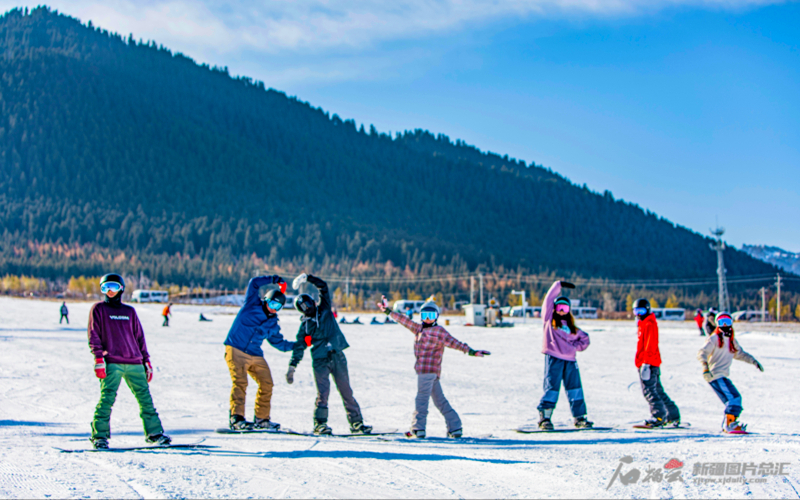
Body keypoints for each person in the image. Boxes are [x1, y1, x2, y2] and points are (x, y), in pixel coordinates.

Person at [378, 296, 489, 439]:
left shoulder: (439, 331)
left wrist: (471, 351)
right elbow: (404, 320)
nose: (428, 319)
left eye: (431, 315)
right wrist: (388, 311)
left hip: (427, 372)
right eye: (425, 315)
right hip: (430, 373)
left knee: (421, 400)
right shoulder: (418, 328)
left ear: (436, 317)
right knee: (440, 401)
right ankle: (455, 427)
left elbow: (455, 343)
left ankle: (418, 429)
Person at [88, 274, 170, 449]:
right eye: (105, 288)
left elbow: (139, 337)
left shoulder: (129, 312)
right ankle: (99, 436)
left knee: (145, 399)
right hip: (112, 363)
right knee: (107, 399)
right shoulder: (98, 309)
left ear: (121, 289)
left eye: (113, 287)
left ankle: (154, 433)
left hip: (135, 362)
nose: (110, 291)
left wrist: (146, 361)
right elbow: (94, 336)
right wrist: (98, 359)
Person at [286, 274, 372, 435]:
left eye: (309, 304)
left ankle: (356, 423)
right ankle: (320, 424)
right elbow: (299, 347)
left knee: (346, 391)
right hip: (320, 360)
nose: (308, 308)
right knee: (323, 393)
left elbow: (323, 287)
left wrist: (308, 278)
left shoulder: (324, 309)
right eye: (304, 308)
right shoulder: (305, 327)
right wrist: (292, 366)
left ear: (313, 302)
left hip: (337, 356)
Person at [223, 275, 294, 431]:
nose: (274, 309)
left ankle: (262, 419)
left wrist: (299, 345)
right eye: (273, 304)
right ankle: (237, 419)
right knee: (240, 383)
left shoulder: (273, 323)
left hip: (255, 354)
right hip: (236, 349)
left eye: (278, 307)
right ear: (267, 300)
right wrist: (275, 279)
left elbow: (279, 343)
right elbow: (254, 283)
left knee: (267, 383)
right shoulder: (251, 304)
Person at [537, 280, 592, 430]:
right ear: (554, 309)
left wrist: (575, 347)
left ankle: (579, 417)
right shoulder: (549, 321)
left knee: (575, 388)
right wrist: (558, 285)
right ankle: (545, 417)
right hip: (554, 358)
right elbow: (548, 300)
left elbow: (585, 339)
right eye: (559, 307)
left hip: (570, 361)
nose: (561, 311)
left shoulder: (572, 328)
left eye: (565, 308)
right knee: (552, 388)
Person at [697, 312, 764, 433]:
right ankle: (728, 424)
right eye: (721, 322)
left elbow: (740, 354)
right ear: (717, 324)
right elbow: (702, 353)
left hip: (721, 375)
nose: (724, 325)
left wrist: (753, 361)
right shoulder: (714, 338)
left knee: (734, 399)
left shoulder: (731, 340)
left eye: (727, 322)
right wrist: (705, 368)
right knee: (734, 400)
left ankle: (730, 422)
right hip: (714, 375)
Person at [634, 298, 680, 428]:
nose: (638, 313)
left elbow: (650, 345)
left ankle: (658, 416)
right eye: (636, 310)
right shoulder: (644, 323)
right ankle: (672, 415)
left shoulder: (649, 324)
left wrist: (646, 364)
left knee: (649, 391)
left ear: (648, 310)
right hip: (650, 362)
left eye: (641, 310)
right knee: (657, 390)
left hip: (648, 363)